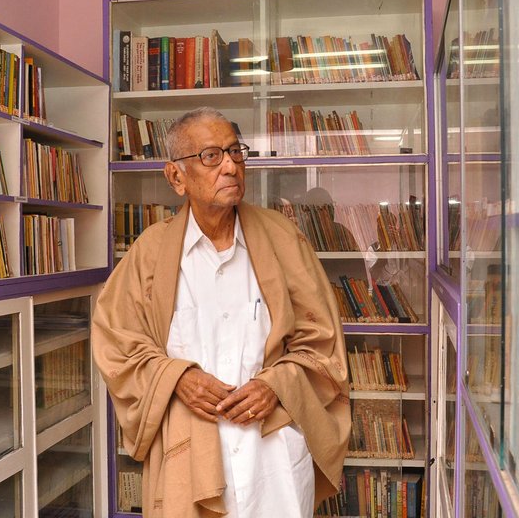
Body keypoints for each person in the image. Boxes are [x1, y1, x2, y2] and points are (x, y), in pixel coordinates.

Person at [92, 106, 351, 517]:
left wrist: (277, 386)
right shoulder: (150, 253)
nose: (230, 166)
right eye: (211, 156)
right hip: (188, 453)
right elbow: (117, 345)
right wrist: (177, 378)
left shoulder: (283, 238)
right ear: (176, 177)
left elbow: (322, 345)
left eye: (235, 152)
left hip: (274, 458)